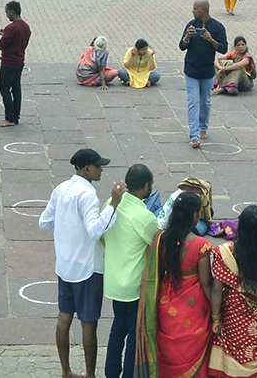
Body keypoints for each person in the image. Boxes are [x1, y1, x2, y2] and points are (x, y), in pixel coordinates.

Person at [39, 148, 126, 378]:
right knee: (89, 323)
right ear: (87, 169)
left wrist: (66, 226)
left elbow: (44, 222)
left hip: (65, 266)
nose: (101, 170)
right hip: (87, 269)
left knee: (64, 317)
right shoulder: (87, 195)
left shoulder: (60, 189)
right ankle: (90, 375)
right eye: (98, 167)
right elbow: (95, 230)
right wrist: (114, 204)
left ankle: (65, 371)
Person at [136, 191, 213, 378]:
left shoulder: (162, 239)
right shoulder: (201, 245)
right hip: (195, 310)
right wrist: (218, 311)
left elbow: (159, 273)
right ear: (194, 215)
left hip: (166, 303)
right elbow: (206, 283)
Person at [209, 205, 257, 378]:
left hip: (232, 320)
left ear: (241, 227)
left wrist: (215, 318)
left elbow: (216, 290)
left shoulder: (225, 253)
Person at [102, 164, 158, 378]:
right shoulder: (144, 217)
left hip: (115, 282)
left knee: (118, 328)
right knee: (134, 333)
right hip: (134, 286)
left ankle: (111, 372)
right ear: (145, 187)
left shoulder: (111, 204)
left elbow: (103, 236)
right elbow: (157, 244)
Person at [179, 0, 228, 148]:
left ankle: (203, 127)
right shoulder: (191, 25)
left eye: (195, 8)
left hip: (207, 71)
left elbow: (223, 49)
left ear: (203, 10)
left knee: (205, 102)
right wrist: (187, 37)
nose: (192, 11)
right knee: (193, 102)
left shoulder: (218, 27)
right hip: (191, 70)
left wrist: (211, 39)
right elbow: (182, 46)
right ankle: (194, 135)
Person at [0, 0, 31, 127]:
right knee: (16, 89)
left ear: (12, 11)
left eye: (7, 12)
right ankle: (16, 116)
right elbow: (17, 40)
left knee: (5, 89)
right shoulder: (25, 27)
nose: (7, 15)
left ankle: (9, 118)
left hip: (8, 63)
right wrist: (4, 34)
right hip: (20, 62)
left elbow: (1, 45)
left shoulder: (11, 28)